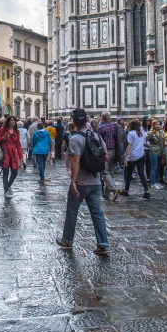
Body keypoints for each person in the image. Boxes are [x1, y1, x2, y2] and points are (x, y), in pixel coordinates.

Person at [55, 109, 110, 256]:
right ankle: (103, 243)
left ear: (73, 121)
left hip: (80, 182)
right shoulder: (96, 136)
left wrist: (73, 181)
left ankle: (67, 240)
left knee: (72, 211)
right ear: (86, 119)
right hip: (96, 181)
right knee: (97, 212)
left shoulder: (75, 139)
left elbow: (75, 161)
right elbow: (106, 156)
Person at [0, 115, 25, 198]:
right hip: (5, 152)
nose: (13, 122)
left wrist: (21, 156)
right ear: (8, 122)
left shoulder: (16, 131)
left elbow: (18, 144)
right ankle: (6, 191)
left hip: (13, 153)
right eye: (11, 120)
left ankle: (8, 186)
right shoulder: (2, 129)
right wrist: (3, 138)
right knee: (5, 172)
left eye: (14, 120)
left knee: (15, 171)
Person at [122, 119, 150, 199]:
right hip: (141, 155)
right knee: (141, 173)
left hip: (132, 156)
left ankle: (126, 190)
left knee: (129, 174)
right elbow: (144, 143)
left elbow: (129, 146)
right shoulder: (141, 133)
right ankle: (146, 191)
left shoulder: (131, 133)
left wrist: (126, 158)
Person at [96, 112, 120, 201]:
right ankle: (106, 194)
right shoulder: (115, 126)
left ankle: (114, 189)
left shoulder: (101, 127)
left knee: (105, 173)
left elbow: (97, 141)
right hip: (114, 151)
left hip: (105, 152)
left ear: (102, 118)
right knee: (111, 172)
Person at [146, 121, 164, 191]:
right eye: (156, 124)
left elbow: (162, 142)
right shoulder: (150, 133)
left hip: (161, 151)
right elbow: (144, 140)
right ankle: (153, 182)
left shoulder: (161, 132)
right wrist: (150, 147)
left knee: (158, 167)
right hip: (154, 151)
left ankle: (156, 181)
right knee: (154, 167)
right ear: (153, 125)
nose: (158, 125)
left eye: (159, 124)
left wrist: (163, 153)